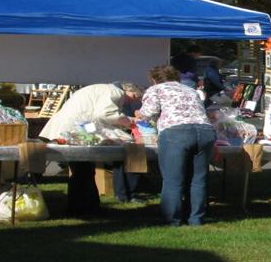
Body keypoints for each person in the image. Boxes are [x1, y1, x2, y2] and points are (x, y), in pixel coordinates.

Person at [40, 81, 144, 215]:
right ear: (127, 90)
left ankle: (84, 206)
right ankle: (83, 207)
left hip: (69, 126)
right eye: (134, 96)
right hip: (76, 129)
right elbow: (105, 114)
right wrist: (128, 120)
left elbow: (99, 114)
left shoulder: (100, 89)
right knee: (83, 170)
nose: (131, 101)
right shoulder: (115, 92)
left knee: (82, 170)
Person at [137, 64, 216, 227]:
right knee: (198, 179)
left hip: (176, 132)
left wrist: (138, 115)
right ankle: (196, 219)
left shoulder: (156, 89)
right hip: (205, 131)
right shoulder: (191, 90)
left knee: (173, 179)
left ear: (153, 79)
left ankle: (172, 219)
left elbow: (148, 113)